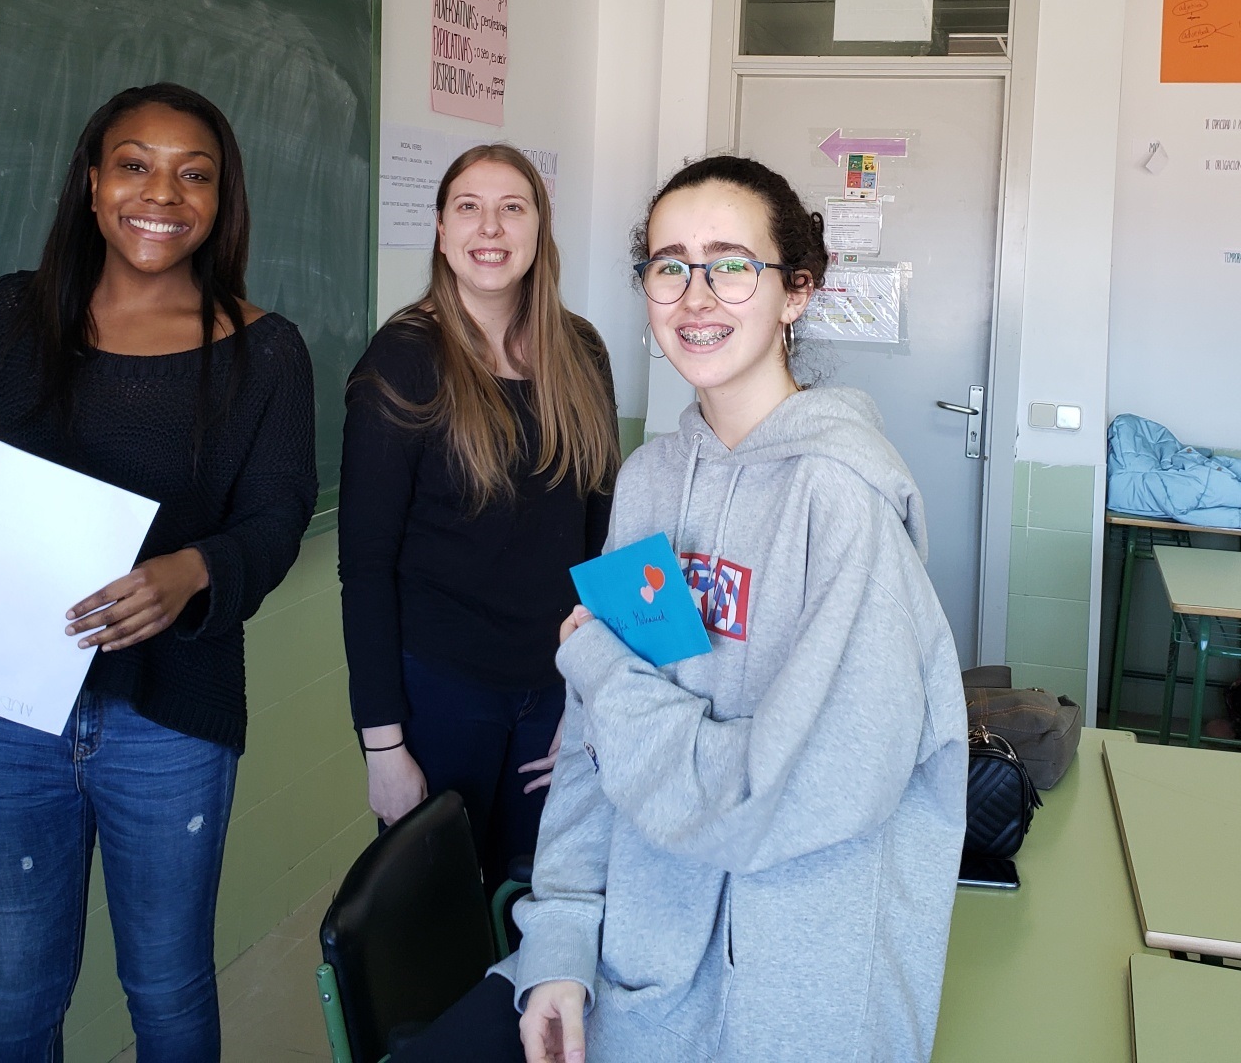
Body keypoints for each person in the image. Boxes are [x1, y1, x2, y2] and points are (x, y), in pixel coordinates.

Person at [396, 153, 967, 1063]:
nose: (696, 296)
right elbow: (592, 754)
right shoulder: (652, 483)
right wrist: (561, 943)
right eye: (670, 266)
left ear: (796, 292)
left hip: (791, 1009)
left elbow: (771, 799)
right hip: (643, 982)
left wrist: (597, 666)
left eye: (732, 265)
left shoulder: (845, 507)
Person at [0, 83, 318, 1061]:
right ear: (92, 184)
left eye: (193, 175)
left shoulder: (265, 352)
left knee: (166, 991)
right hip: (5, 710)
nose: (161, 193)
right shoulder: (10, 316)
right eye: (134, 165)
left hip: (169, 718)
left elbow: (276, 520)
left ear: (220, 200)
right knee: (13, 995)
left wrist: (193, 570)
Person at [338, 144, 617, 889]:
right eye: (469, 207)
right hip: (439, 694)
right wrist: (383, 748)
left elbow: (604, 535)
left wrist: (591, 693)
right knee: (445, 917)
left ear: (539, 229)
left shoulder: (580, 350)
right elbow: (365, 568)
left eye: (512, 208)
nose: (490, 227)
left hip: (555, 687)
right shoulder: (402, 359)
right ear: (440, 230)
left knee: (539, 904)